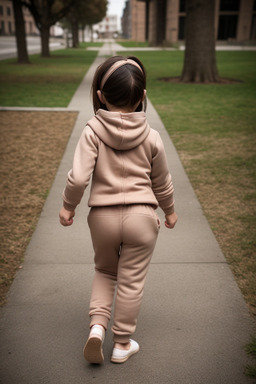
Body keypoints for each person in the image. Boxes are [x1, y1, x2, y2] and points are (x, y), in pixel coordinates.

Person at [59, 56, 178, 365]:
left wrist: (67, 206)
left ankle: (97, 328)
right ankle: (122, 343)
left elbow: (79, 177)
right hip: (142, 219)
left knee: (104, 271)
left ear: (100, 95)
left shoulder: (92, 132)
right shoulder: (152, 137)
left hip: (102, 218)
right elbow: (162, 181)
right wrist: (170, 211)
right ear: (142, 97)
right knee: (131, 280)